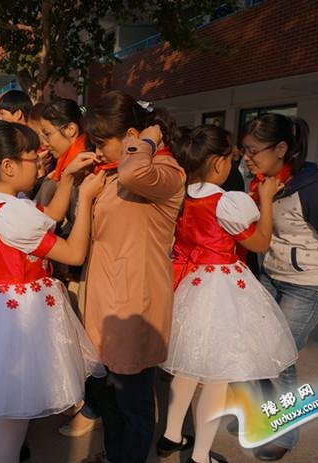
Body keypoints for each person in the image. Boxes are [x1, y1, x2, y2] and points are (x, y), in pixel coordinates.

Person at [0, 120, 106, 463]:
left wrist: (68, 178)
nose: (39, 164)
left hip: (0, 308)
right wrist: (85, 198)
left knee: (0, 418)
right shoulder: (13, 213)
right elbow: (74, 253)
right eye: (32, 158)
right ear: (8, 166)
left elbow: (48, 216)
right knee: (13, 421)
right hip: (22, 316)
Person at [157, 125, 297, 463]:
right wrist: (266, 200)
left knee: (188, 368)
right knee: (217, 376)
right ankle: (200, 456)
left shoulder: (182, 196)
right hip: (222, 287)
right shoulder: (226, 202)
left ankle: (171, 436)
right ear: (219, 163)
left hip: (191, 283)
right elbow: (259, 243)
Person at [238, 114, 318, 461]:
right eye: (244, 149)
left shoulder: (314, 191)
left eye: (253, 150)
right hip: (272, 275)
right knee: (259, 350)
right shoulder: (264, 183)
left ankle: (285, 434)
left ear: (281, 148)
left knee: (279, 357)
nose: (246, 157)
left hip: (307, 286)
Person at [81, 91, 186, 463]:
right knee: (110, 396)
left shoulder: (164, 172)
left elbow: (133, 171)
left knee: (134, 402)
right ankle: (115, 455)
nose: (97, 151)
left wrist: (149, 138)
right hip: (107, 300)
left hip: (134, 305)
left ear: (129, 135)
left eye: (101, 142)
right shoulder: (115, 172)